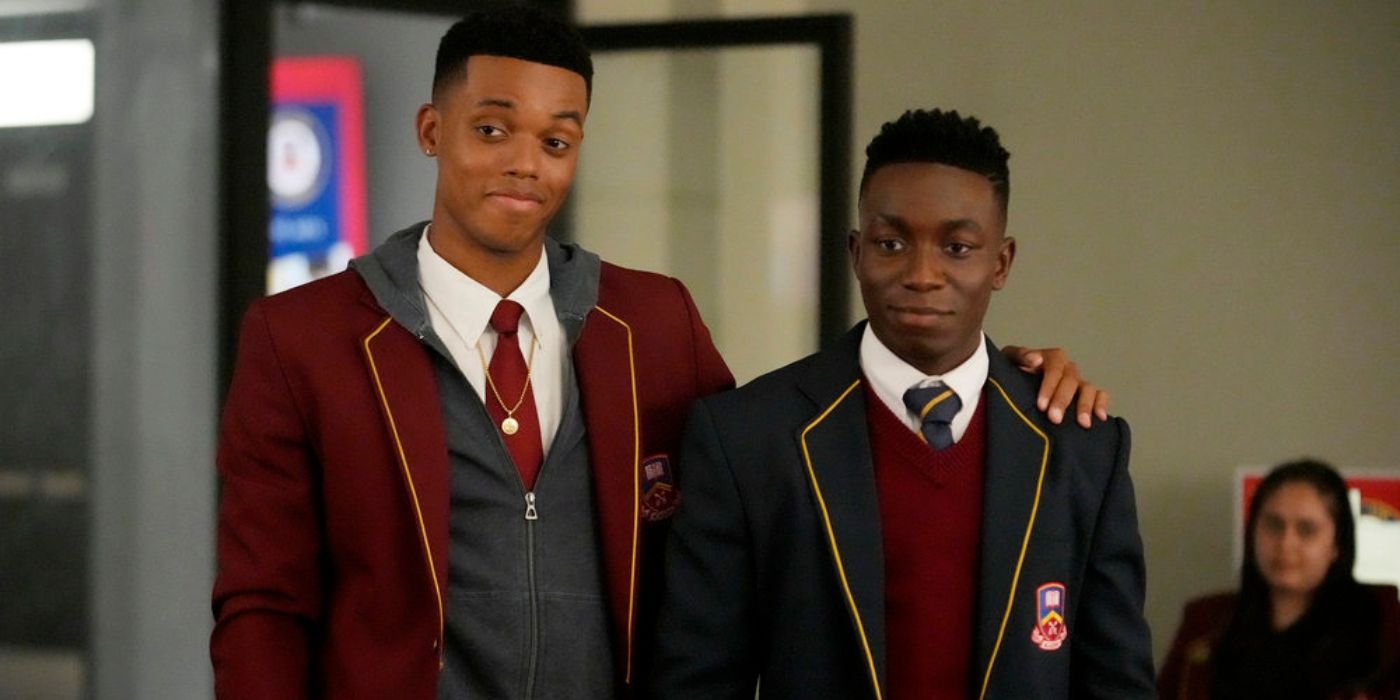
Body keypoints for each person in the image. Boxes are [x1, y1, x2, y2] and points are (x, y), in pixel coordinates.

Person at [211, 8, 1110, 698]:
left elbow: (773, 464)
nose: (526, 163)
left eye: (557, 140)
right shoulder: (304, 340)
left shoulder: (651, 322)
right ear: (431, 130)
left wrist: (992, 379)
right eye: (493, 129)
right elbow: (262, 606)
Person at [646, 108, 1155, 699]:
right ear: (855, 252)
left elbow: (1117, 682)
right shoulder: (748, 437)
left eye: (958, 247)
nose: (922, 274)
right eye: (891, 243)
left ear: (1002, 263)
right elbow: (699, 680)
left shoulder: (1082, 447)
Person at [1158, 459, 1400, 700]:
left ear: (1337, 544)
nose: (1285, 543)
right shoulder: (1205, 623)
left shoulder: (1383, 623)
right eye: (1273, 525)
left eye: (1306, 529)